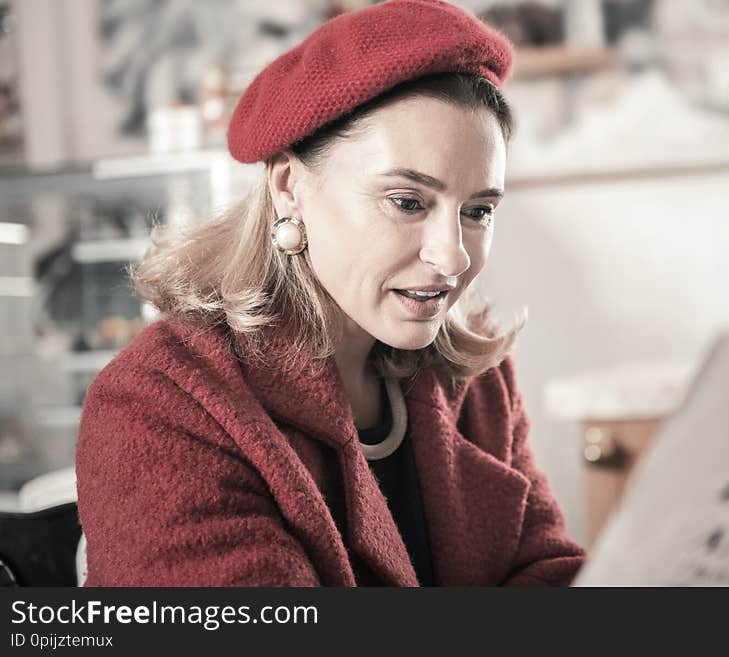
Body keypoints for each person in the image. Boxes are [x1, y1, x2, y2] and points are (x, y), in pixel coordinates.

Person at [75, 0, 585, 586]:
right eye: (407, 202)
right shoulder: (163, 403)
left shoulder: (477, 382)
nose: (454, 255)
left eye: (477, 211)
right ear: (291, 188)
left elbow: (545, 568)